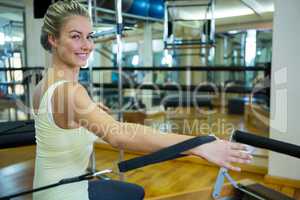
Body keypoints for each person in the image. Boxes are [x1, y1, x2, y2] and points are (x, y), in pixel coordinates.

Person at [31, 0, 252, 199]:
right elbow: (120, 135)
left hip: (47, 189)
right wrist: (196, 145)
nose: (87, 45)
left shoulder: (45, 84)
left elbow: (59, 121)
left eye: (89, 36)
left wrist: (88, 111)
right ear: (53, 39)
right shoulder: (70, 93)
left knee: (133, 192)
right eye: (75, 36)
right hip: (66, 195)